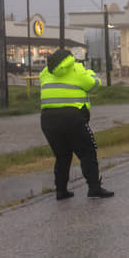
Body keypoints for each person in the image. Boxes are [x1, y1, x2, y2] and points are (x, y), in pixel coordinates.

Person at [40, 48, 114, 200]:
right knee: (88, 151)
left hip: (48, 119)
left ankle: (61, 191)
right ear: (71, 59)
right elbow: (94, 85)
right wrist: (89, 72)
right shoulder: (77, 70)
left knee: (62, 155)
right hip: (72, 118)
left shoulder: (46, 72)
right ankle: (94, 187)